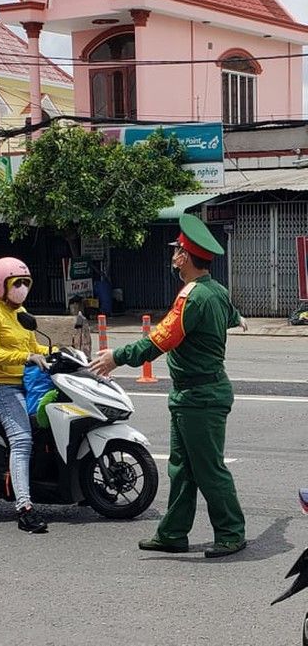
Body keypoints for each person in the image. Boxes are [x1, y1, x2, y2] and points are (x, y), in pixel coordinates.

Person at [90, 214, 249, 558]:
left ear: (185, 257)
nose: (173, 254)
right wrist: (235, 321)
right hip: (192, 395)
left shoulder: (193, 296)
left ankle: (231, 532)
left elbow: (159, 340)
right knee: (182, 467)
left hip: (200, 397)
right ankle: (173, 533)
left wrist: (116, 356)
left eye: (177, 249)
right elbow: (233, 315)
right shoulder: (215, 290)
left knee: (208, 469)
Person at [0, 257, 50, 533]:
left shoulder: (20, 311)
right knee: (21, 440)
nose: (22, 288)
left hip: (28, 384)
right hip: (1, 386)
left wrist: (60, 352)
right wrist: (28, 357)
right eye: (16, 283)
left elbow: (34, 346)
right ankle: (24, 509)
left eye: (25, 283)